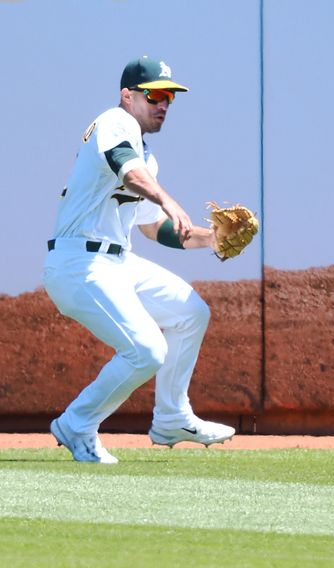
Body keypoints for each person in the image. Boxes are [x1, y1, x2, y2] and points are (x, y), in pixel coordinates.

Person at [43, 56, 235, 464]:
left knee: (190, 312)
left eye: (169, 97)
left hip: (117, 262)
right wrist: (167, 197)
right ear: (127, 96)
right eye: (155, 95)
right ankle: (77, 424)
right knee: (147, 350)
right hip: (79, 262)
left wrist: (214, 239)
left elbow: (153, 228)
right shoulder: (115, 122)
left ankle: (172, 417)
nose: (164, 103)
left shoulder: (147, 158)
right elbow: (128, 174)